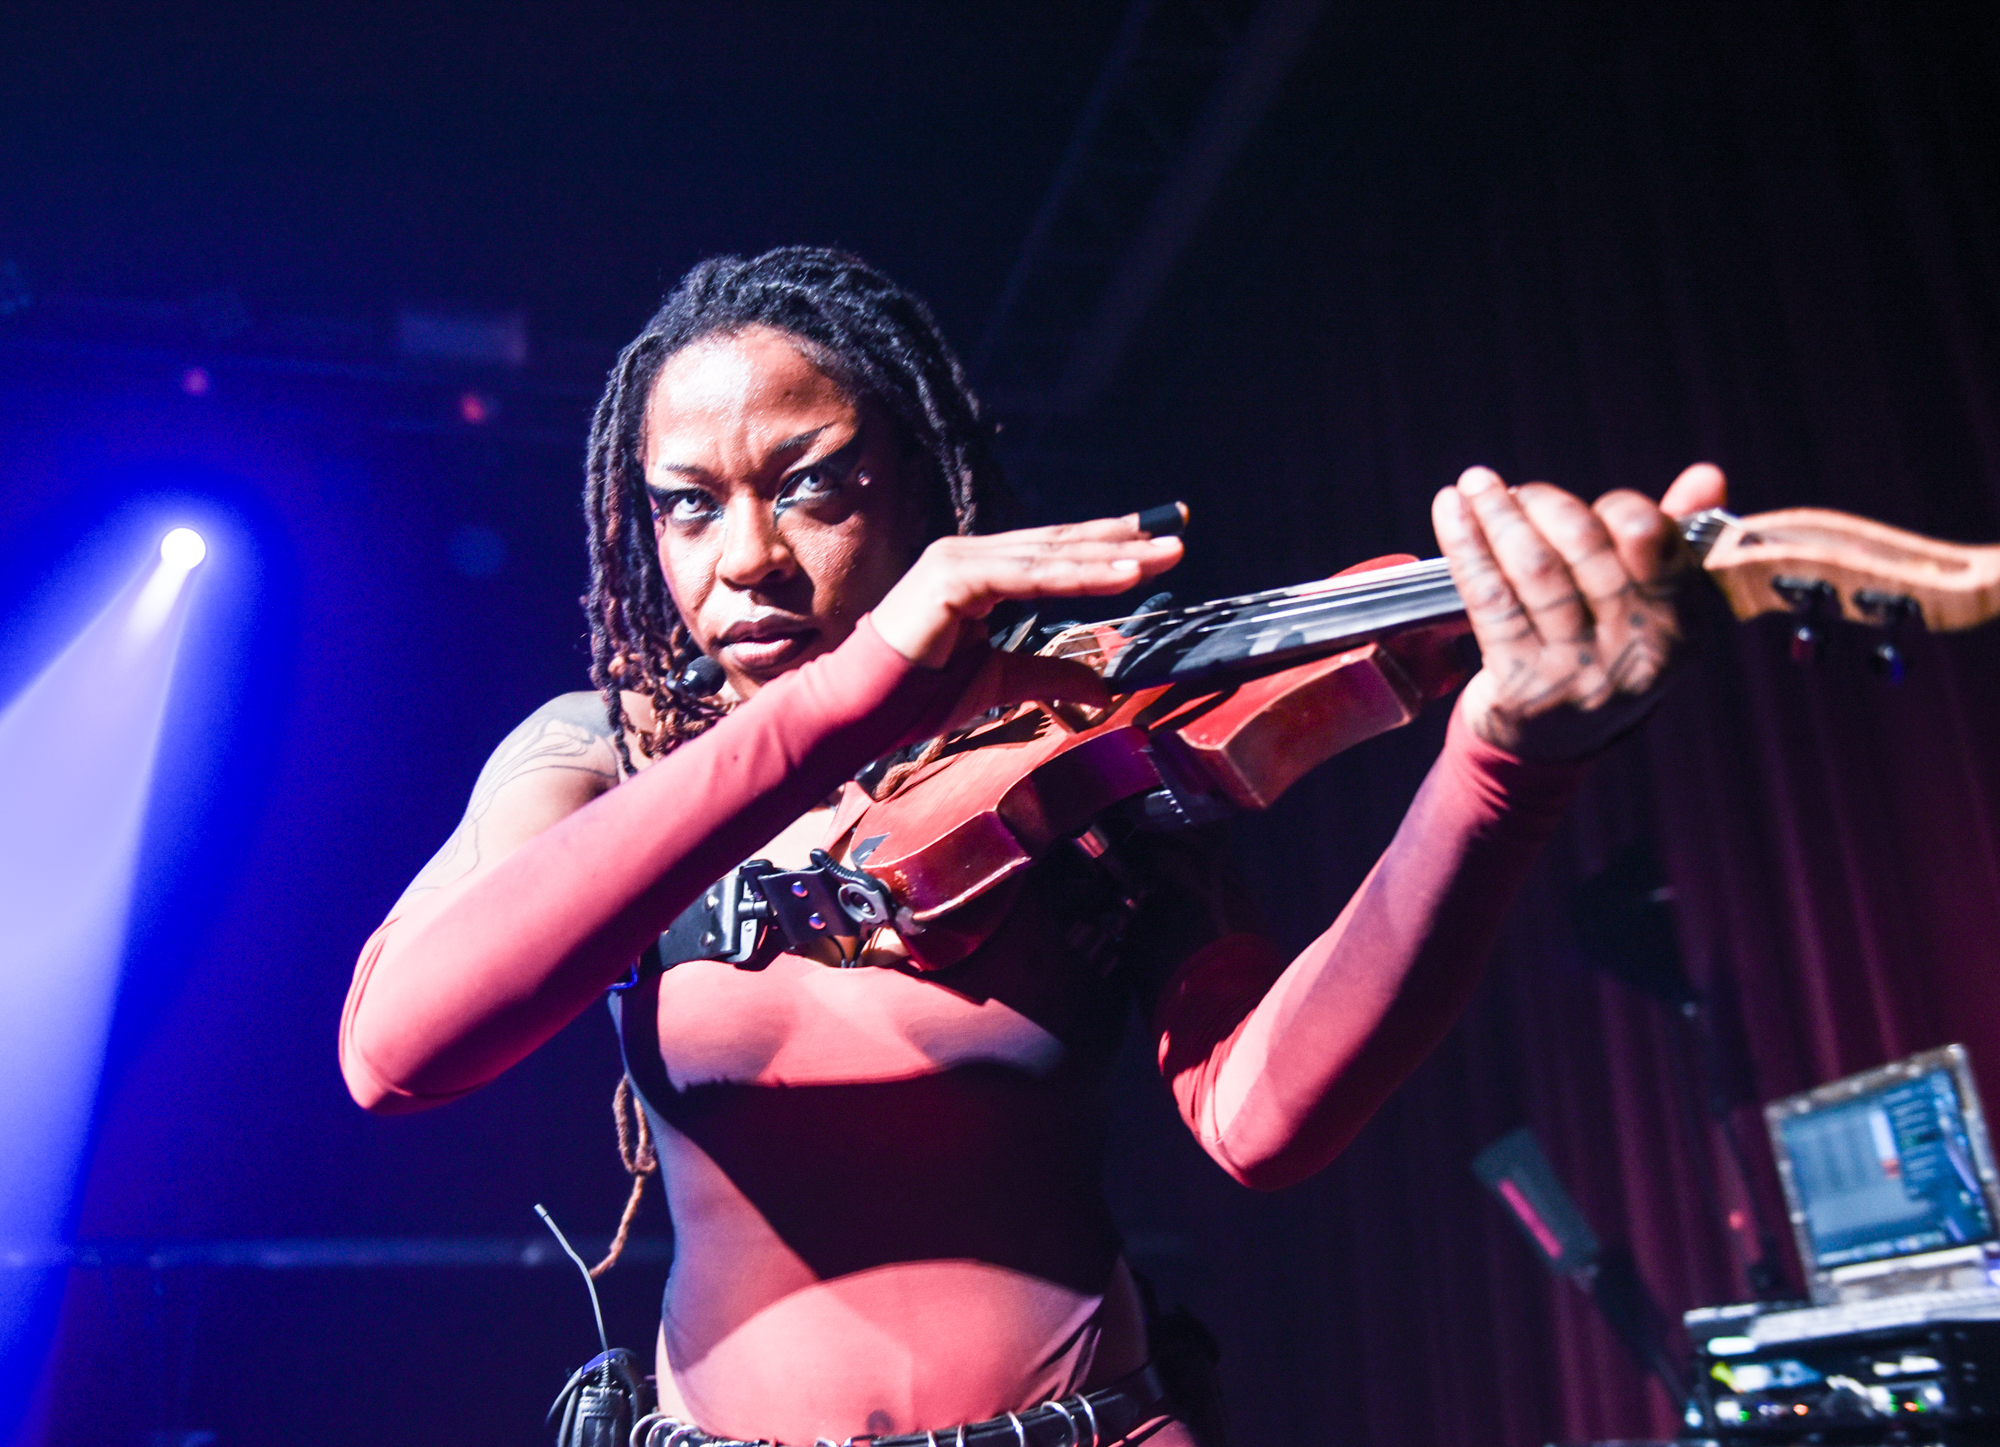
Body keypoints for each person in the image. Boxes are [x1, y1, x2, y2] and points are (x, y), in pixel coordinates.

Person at [339, 247, 1725, 1447]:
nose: (745, 557)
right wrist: (847, 700)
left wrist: (1504, 768)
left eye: (812, 485)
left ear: (923, 486)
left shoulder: (1075, 742)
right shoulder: (601, 751)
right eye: (687, 503)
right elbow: (396, 1053)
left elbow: (1261, 1119)